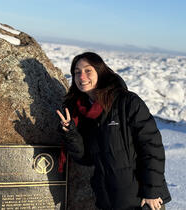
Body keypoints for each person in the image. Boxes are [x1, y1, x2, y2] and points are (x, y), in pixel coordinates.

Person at [56, 52, 171, 210]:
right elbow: (86, 158)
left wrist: (152, 191)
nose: (82, 76)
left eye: (88, 71)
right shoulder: (82, 113)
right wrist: (70, 133)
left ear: (100, 72)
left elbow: (152, 147)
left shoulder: (127, 102)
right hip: (108, 199)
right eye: (77, 72)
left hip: (141, 200)